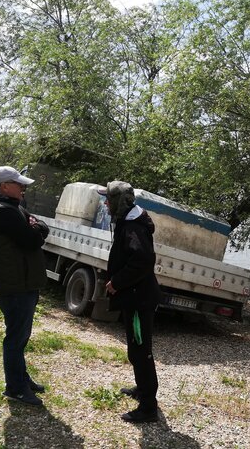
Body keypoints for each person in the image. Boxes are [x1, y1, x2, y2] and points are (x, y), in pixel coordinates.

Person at [0, 166, 49, 406]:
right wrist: (36, 227)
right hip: (14, 286)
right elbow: (33, 239)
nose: (23, 188)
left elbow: (37, 228)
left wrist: (36, 226)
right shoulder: (2, 212)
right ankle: (15, 388)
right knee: (16, 338)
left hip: (19, 282)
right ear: (4, 186)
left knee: (20, 336)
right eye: (19, 184)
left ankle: (21, 379)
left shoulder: (9, 208)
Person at [98, 181, 161, 423]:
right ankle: (141, 390)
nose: (105, 203)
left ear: (119, 202)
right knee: (136, 350)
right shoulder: (129, 222)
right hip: (136, 297)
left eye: (108, 200)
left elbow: (143, 261)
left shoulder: (134, 226)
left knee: (141, 351)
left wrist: (117, 282)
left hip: (139, 300)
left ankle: (148, 408)